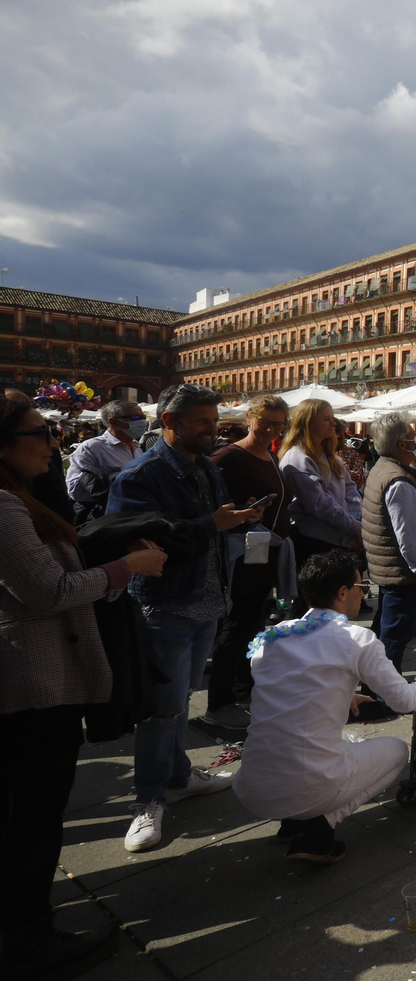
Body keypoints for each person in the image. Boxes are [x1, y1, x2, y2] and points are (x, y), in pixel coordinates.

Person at [0, 398, 167, 980]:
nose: (51, 445)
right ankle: (27, 938)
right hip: (31, 683)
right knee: (36, 811)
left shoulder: (21, 500)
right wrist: (130, 569)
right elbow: (46, 591)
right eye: (38, 434)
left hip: (32, 679)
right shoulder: (2, 507)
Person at [107, 383, 263, 853]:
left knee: (181, 700)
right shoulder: (141, 474)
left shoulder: (205, 469)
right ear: (170, 422)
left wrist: (238, 519)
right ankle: (148, 800)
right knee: (161, 708)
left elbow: (212, 527)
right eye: (202, 421)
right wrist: (211, 525)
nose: (211, 429)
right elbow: (134, 540)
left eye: (214, 421)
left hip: (208, 602)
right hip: (165, 605)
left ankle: (178, 775)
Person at [232, 551, 416, 865]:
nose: (364, 593)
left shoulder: (274, 636)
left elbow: (286, 689)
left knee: (311, 750)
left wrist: (343, 696)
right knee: (398, 751)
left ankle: (293, 821)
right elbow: (404, 701)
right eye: (361, 586)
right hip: (309, 784)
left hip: (252, 787)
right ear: (343, 592)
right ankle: (320, 825)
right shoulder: (356, 639)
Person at [204, 395, 291, 731]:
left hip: (264, 553)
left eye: (278, 424)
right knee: (236, 627)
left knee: (252, 624)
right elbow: (210, 500)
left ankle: (243, 689)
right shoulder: (228, 455)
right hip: (241, 554)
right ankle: (219, 701)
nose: (270, 428)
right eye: (264, 422)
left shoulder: (269, 454)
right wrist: (241, 512)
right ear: (249, 418)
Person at [360, 413, 416, 673]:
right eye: (412, 436)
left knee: (385, 633)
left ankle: (377, 688)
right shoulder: (399, 480)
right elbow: (410, 538)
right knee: (394, 637)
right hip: (401, 574)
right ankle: (382, 692)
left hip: (389, 569)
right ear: (402, 444)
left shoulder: (383, 469)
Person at [280, 400, 361, 572]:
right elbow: (320, 505)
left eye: (332, 418)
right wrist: (354, 526)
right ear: (309, 422)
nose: (333, 423)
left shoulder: (331, 457)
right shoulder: (298, 459)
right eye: (326, 419)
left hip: (338, 538)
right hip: (314, 542)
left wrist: (354, 520)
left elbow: (351, 490)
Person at [64, 399, 146, 523]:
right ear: (113, 421)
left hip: (137, 518)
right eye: (135, 417)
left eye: (143, 417)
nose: (142, 422)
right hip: (108, 521)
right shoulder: (91, 448)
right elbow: (75, 490)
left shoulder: (137, 448)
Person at [6, 390, 75, 524]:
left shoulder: (42, 462)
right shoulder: (6, 507)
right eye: (39, 433)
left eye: (28, 405)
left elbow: (60, 503)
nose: (54, 444)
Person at [335, 419, 368, 493]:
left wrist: (343, 463)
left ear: (338, 434)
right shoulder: (319, 454)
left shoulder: (350, 453)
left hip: (347, 498)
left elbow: (359, 481)